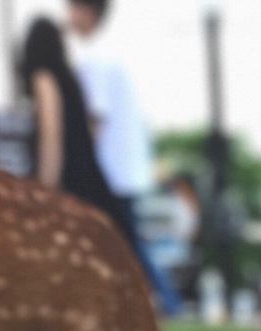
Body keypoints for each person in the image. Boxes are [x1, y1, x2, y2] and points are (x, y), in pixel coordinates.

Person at [64, 0, 178, 310]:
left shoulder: (94, 59)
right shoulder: (108, 55)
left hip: (110, 170)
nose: (68, 16)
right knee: (125, 241)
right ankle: (165, 302)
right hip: (124, 168)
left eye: (73, 9)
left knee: (126, 243)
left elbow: (96, 119)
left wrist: (82, 165)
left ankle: (169, 303)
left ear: (90, 13)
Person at [19, 17, 134, 247]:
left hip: (74, 190)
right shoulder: (67, 77)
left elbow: (52, 141)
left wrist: (44, 195)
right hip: (92, 185)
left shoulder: (43, 77)